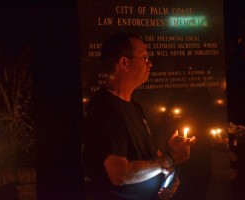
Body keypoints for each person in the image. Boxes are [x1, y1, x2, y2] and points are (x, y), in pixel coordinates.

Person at [83, 32, 196, 200]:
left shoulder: (135, 107)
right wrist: (169, 159)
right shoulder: (104, 109)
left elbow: (143, 156)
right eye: (144, 57)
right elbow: (120, 174)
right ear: (124, 62)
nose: (150, 63)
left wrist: (166, 173)